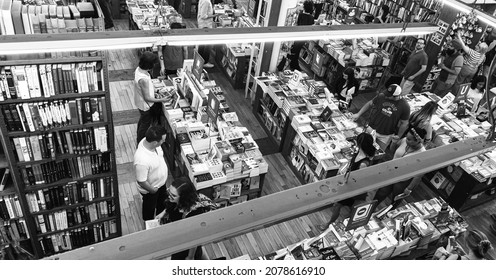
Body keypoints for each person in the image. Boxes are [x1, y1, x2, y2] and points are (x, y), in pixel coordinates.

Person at [319, 133, 377, 230]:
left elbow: (360, 180)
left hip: (353, 189)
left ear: (359, 144)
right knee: (342, 206)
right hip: (349, 184)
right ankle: (334, 223)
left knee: (339, 206)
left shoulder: (363, 163)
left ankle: (330, 224)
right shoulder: (360, 153)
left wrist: (345, 183)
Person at [155, 178, 217, 260]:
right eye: (169, 191)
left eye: (173, 195)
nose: (169, 196)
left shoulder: (193, 214)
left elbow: (194, 238)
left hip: (185, 246)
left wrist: (190, 256)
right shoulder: (175, 200)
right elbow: (171, 204)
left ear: (183, 197)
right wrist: (164, 212)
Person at [373, 126, 427, 208]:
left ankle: (388, 216)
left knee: (395, 201)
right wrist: (394, 142)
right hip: (391, 174)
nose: (406, 140)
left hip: (403, 181)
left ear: (417, 141)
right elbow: (392, 150)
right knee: (379, 195)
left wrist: (409, 188)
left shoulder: (422, 154)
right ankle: (370, 212)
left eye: (409, 139)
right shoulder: (405, 140)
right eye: (407, 138)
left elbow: (418, 175)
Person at [351, 84, 410, 151]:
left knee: (378, 152)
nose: (386, 96)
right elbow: (370, 103)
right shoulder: (382, 96)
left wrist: (399, 136)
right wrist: (358, 114)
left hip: (386, 135)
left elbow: (404, 123)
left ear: (395, 96)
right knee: (362, 147)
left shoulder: (405, 106)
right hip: (372, 128)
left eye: (388, 95)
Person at [134, 126, 169, 222]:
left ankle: (160, 218)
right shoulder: (142, 160)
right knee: (149, 209)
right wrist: (152, 190)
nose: (164, 142)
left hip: (160, 184)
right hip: (151, 189)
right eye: (163, 140)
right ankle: (149, 224)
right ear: (154, 143)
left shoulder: (150, 143)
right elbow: (141, 181)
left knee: (162, 203)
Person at [134, 51, 170, 144]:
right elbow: (147, 98)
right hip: (145, 106)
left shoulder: (139, 70)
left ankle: (138, 136)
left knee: (142, 120)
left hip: (139, 102)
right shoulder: (143, 79)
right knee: (145, 124)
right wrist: (162, 99)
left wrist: (156, 91)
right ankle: (140, 142)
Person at [289, 0, 315, 71]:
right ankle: (294, 65)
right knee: (297, 50)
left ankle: (293, 64)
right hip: (304, 37)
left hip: (298, 35)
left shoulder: (300, 15)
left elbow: (297, 24)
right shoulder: (311, 17)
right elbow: (311, 27)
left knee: (295, 50)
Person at [197, 0, 218, 68]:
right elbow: (203, 16)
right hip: (205, 26)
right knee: (207, 45)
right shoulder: (206, 1)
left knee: (202, 44)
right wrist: (215, 15)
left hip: (203, 25)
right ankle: (205, 62)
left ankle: (200, 60)